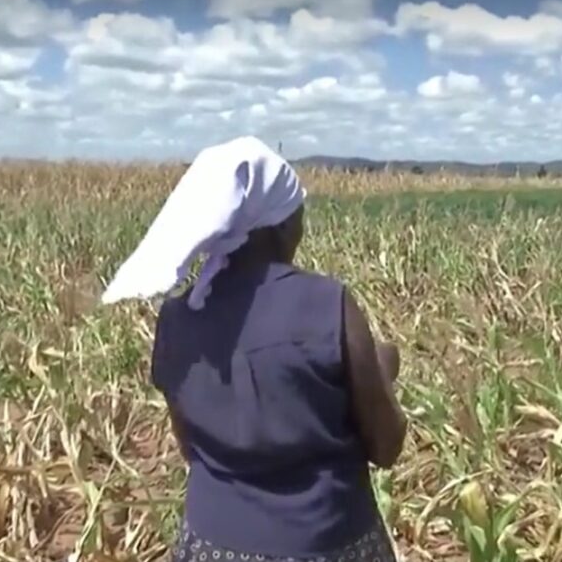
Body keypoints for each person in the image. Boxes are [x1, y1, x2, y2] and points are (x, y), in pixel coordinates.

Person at [101, 136, 407, 561]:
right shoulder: (328, 304)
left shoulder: (178, 316)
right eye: (298, 214)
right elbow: (387, 445)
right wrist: (380, 369)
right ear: (279, 225)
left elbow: (190, 447)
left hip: (211, 546)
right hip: (330, 544)